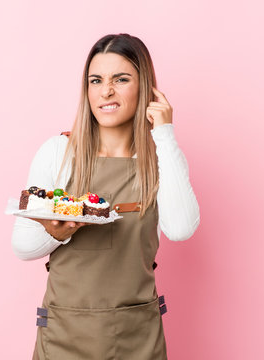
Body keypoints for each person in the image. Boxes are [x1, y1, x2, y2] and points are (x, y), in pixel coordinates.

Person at [11, 33, 200, 360]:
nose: (106, 91)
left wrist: (165, 134)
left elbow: (181, 229)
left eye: (121, 79)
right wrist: (58, 232)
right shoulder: (58, 152)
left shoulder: (160, 159)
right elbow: (23, 247)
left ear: (146, 88)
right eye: (96, 80)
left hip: (137, 338)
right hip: (64, 337)